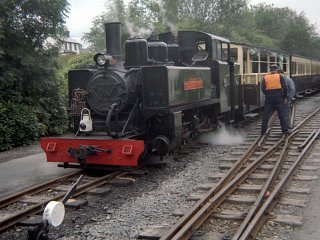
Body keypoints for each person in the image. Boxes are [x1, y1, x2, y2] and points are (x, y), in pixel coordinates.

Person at [261, 64, 289, 135]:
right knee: (281, 114)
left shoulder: (265, 77)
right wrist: (285, 97)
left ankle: (263, 131)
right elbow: (285, 88)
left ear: (270, 70)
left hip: (269, 98)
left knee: (266, 115)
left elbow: (263, 88)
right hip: (278, 97)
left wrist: (267, 94)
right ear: (276, 70)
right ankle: (285, 130)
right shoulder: (280, 76)